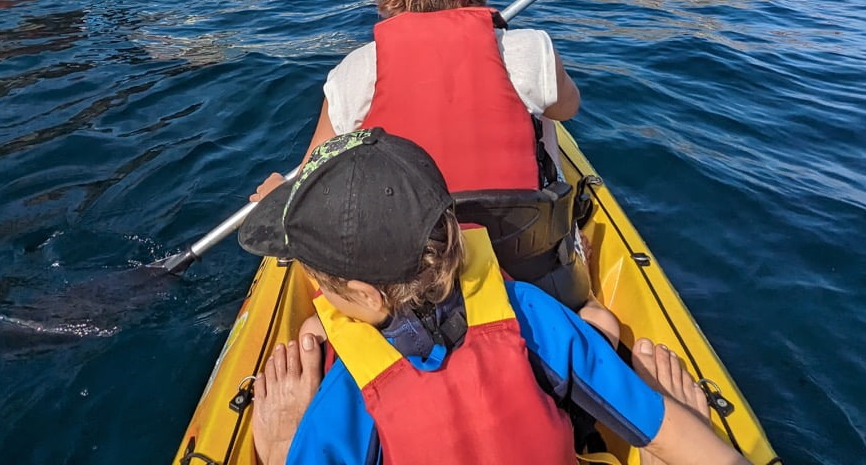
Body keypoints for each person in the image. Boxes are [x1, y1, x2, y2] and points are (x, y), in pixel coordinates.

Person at [240, 128, 750, 465]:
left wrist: (283, 447)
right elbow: (671, 434)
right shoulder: (531, 314)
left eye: (320, 283)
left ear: (366, 296)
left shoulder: (347, 392)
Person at [253, 0, 617, 339]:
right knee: (599, 319)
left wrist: (280, 194)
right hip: (522, 269)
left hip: (407, 287)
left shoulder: (356, 71)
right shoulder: (530, 49)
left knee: (314, 329)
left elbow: (315, 179)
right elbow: (568, 107)